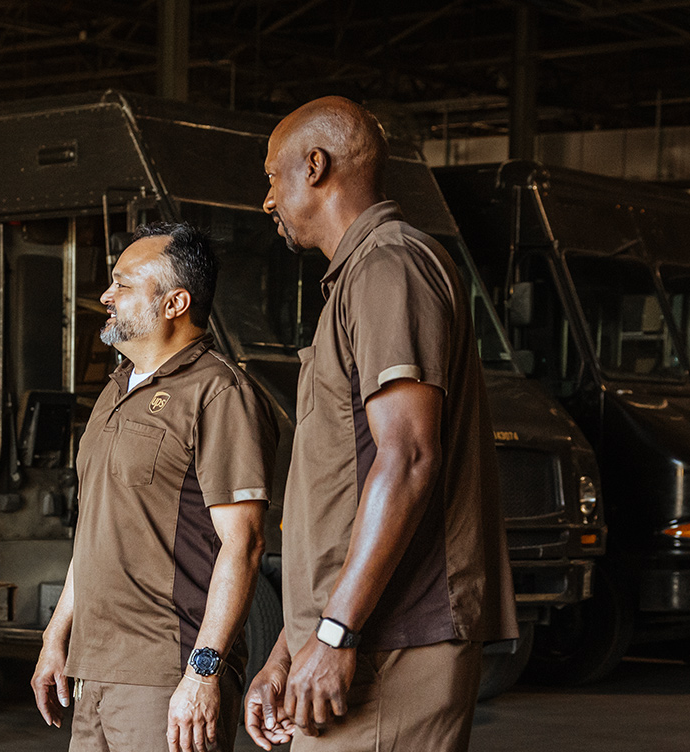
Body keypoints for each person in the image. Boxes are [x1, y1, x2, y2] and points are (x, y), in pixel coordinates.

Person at [244, 97, 517, 752]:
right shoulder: (360, 279)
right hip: (358, 638)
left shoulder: (389, 267)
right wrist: (290, 647)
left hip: (390, 642)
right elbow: (345, 493)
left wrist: (335, 633)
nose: (267, 200)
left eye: (272, 177)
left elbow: (409, 457)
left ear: (316, 166)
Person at [32, 223, 278, 752]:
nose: (106, 296)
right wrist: (56, 638)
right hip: (92, 671)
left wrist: (204, 673)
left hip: (166, 675)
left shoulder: (220, 393)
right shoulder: (116, 389)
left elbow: (246, 543)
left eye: (123, 284)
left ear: (175, 303)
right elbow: (96, 529)